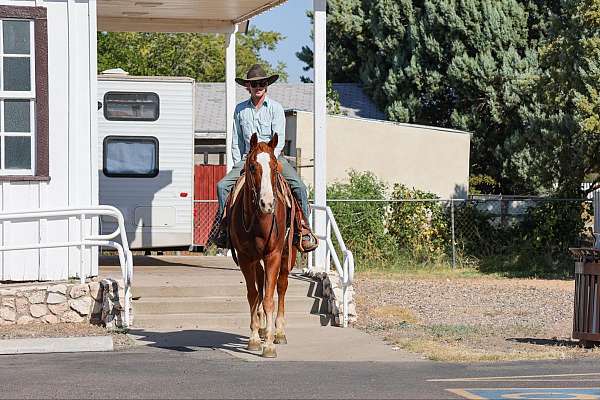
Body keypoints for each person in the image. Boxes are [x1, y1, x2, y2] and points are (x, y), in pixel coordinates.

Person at [212, 64, 318, 252]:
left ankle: (303, 229)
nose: (258, 87)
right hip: (248, 159)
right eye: (254, 84)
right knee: (222, 186)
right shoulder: (240, 110)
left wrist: (269, 161)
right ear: (248, 87)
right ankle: (225, 228)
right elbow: (236, 140)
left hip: (272, 158)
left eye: (261, 83)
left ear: (267, 85)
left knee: (299, 187)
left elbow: (279, 139)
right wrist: (241, 163)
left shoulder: (276, 108)